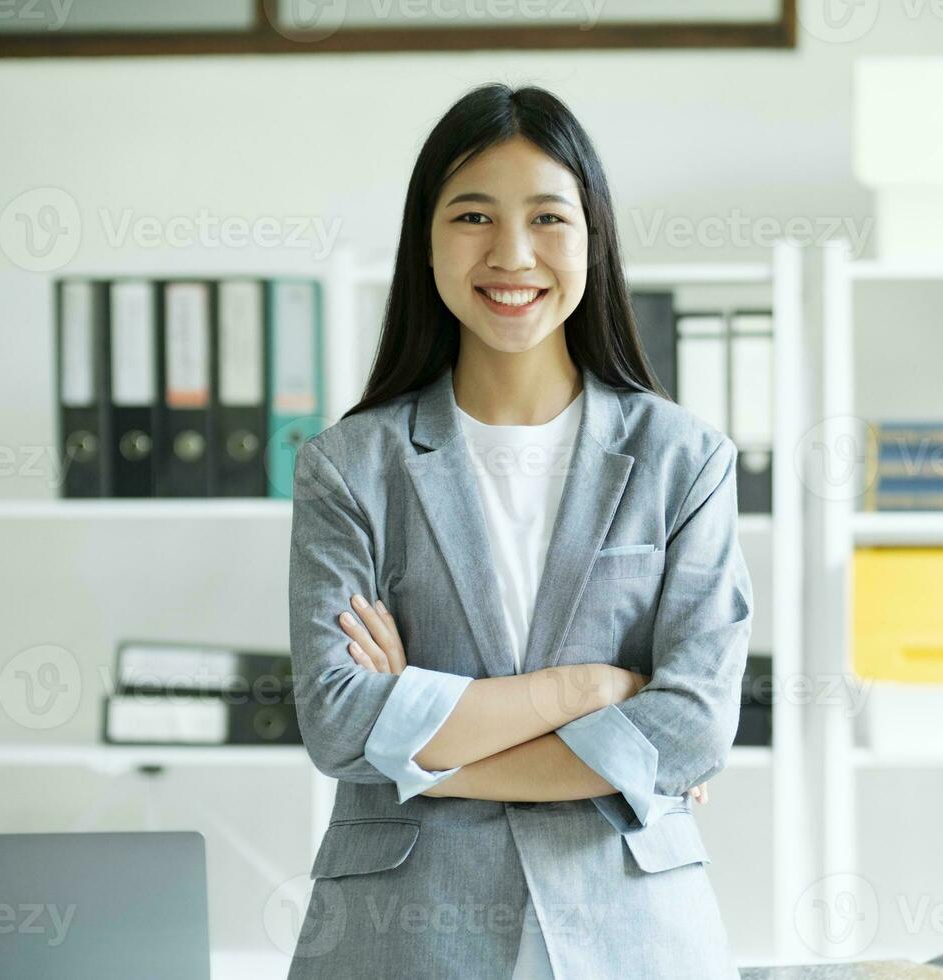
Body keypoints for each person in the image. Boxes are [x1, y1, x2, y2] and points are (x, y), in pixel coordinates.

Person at [286, 81, 753, 979]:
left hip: (631, 929)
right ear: (426, 240)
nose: (511, 254)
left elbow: (691, 727)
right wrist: (596, 688)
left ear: (592, 239)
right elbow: (341, 724)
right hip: (403, 932)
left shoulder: (684, 458)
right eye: (472, 216)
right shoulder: (349, 466)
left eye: (547, 218)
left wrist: (427, 754)